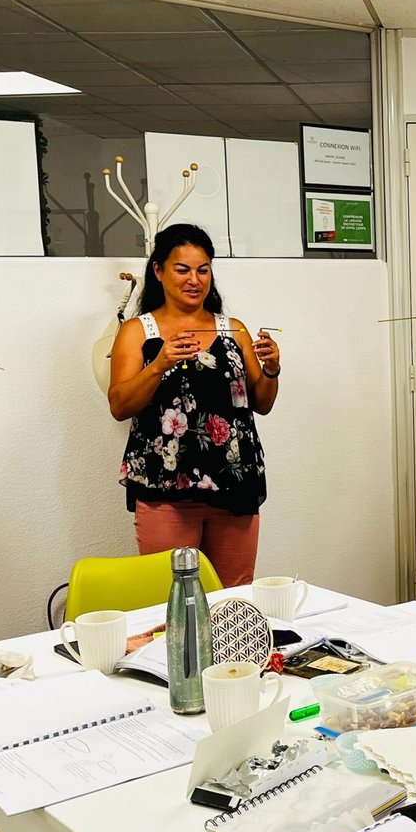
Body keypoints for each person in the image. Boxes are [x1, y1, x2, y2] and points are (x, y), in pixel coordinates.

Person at [109, 224, 278, 587]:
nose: (194, 280)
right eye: (182, 269)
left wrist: (272, 370)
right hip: (165, 486)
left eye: (203, 270)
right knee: (170, 596)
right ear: (158, 271)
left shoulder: (234, 330)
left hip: (233, 482)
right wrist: (159, 365)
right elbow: (120, 406)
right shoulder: (138, 331)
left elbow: (261, 403)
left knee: (233, 596)